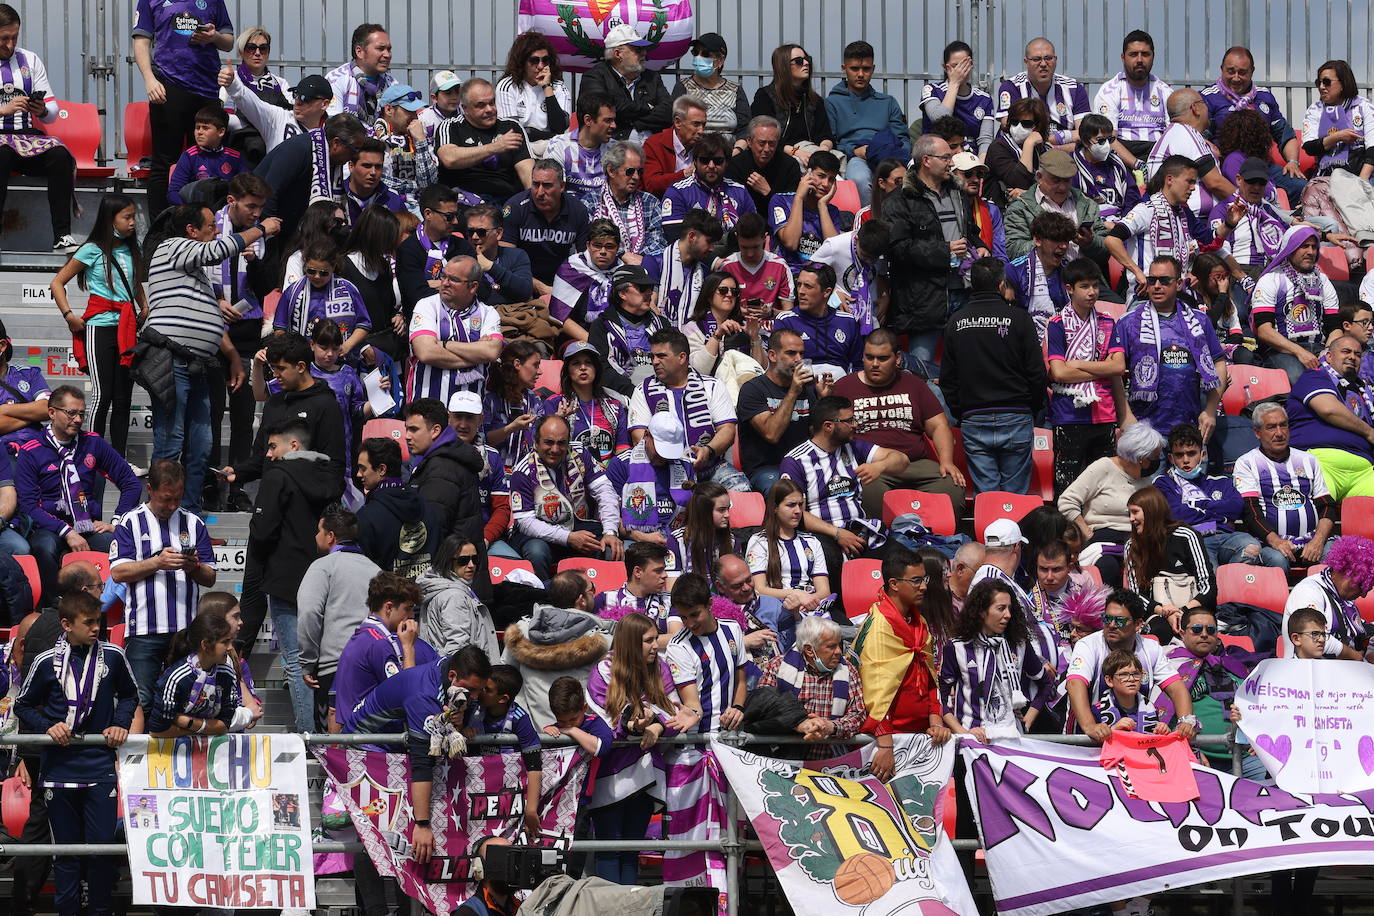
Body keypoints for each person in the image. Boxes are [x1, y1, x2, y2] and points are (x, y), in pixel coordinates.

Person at [140, 204, 279, 514]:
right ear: (191, 231)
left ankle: (187, 513)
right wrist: (262, 229)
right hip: (171, 359)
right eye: (210, 226)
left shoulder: (193, 270)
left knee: (201, 446)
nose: (216, 230)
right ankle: (158, 514)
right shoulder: (172, 247)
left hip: (199, 365)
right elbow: (221, 249)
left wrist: (230, 354)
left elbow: (205, 317)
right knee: (170, 443)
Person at [15, 591, 136, 916]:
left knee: (101, 853)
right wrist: (48, 726)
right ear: (66, 624)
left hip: (99, 769)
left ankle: (100, 911)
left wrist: (121, 724)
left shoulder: (112, 656)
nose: (97, 628)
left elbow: (130, 695)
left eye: (99, 621)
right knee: (65, 855)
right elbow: (22, 704)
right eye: (89, 623)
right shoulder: (44, 661)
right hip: (58, 769)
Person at [344, 647, 492, 867]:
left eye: (480, 690)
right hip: (364, 746)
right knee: (378, 829)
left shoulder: (455, 666)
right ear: (453, 676)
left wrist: (462, 721)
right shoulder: (424, 697)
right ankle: (376, 903)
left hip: (392, 742)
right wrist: (422, 824)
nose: (475, 697)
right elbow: (422, 762)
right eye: (471, 691)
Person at [246, 420, 343, 732]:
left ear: (294, 446)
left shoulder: (277, 476)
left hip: (287, 581)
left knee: (296, 661)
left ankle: (307, 735)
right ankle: (328, 733)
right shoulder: (329, 477)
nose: (269, 454)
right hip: (326, 580)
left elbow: (262, 532)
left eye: (273, 446)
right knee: (325, 662)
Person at [14, 385, 140, 599]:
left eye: (82, 414)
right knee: (44, 548)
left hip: (87, 525)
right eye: (71, 413)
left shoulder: (93, 443)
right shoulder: (32, 450)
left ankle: (106, 607)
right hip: (50, 526)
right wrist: (66, 531)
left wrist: (117, 521)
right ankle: (52, 608)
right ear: (52, 413)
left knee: (118, 545)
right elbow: (28, 504)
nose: (78, 420)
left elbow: (131, 482)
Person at [662, 572, 746, 891]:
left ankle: (731, 904)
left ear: (710, 606)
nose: (689, 623)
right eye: (683, 617)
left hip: (730, 754)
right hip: (694, 756)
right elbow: (692, 702)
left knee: (731, 841)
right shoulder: (678, 647)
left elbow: (741, 680)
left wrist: (738, 708)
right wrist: (692, 714)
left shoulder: (733, 631)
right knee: (692, 842)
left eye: (694, 615)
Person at [109, 460, 216, 707]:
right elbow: (118, 572)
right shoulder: (130, 522)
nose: (172, 505)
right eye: (166, 499)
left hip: (185, 630)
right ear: (150, 489)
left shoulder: (194, 523)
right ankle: (138, 747)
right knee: (140, 700)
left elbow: (210, 577)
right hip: (144, 630)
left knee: (186, 699)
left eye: (177, 498)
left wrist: (193, 567)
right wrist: (156, 563)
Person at [585, 611, 679, 886]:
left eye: (655, 639)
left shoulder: (659, 667)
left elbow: (675, 712)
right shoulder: (604, 668)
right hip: (611, 772)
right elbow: (606, 721)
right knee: (609, 849)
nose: (655, 645)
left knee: (631, 850)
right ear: (629, 643)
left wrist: (658, 726)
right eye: (649, 641)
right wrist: (637, 723)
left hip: (647, 772)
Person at [832, 328, 967, 517]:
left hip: (915, 463)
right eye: (869, 357)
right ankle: (882, 541)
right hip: (872, 466)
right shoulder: (844, 386)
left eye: (882, 358)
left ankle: (936, 542)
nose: (875, 364)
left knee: (951, 487)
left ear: (897, 358)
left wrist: (946, 462)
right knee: (870, 492)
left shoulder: (914, 384)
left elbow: (938, 426)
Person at [941, 257, 1047, 495]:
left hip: (974, 418)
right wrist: (1031, 407)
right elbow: (1037, 372)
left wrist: (962, 411)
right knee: (1015, 499)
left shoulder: (956, 322)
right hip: (1016, 415)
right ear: (1001, 284)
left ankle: (989, 533)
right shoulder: (1020, 319)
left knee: (987, 497)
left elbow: (947, 379)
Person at [49, 194, 143, 461]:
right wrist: (69, 316)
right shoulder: (91, 249)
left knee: (124, 397)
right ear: (109, 219)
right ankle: (91, 455)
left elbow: (133, 286)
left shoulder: (132, 249)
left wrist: (144, 307)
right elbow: (57, 283)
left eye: (134, 216)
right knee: (103, 394)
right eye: (127, 217)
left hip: (126, 329)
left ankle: (119, 459)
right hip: (99, 327)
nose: (133, 222)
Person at [884, 134, 981, 377]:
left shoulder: (958, 194)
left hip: (962, 291)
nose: (951, 162)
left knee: (967, 366)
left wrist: (979, 246)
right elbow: (898, 247)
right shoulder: (900, 199)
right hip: (924, 299)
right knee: (920, 370)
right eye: (946, 157)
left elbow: (970, 232)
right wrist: (945, 250)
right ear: (926, 160)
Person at [853, 547, 952, 782]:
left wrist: (935, 721)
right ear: (894, 584)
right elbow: (875, 693)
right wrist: (885, 746)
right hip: (888, 743)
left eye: (924, 579)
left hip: (923, 739)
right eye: (916, 581)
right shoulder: (878, 627)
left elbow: (930, 678)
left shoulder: (920, 623)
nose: (925, 587)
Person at [779, 395, 905, 572]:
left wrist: (880, 465)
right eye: (849, 421)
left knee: (906, 563)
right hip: (822, 536)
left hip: (859, 530)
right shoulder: (796, 461)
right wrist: (837, 533)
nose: (855, 425)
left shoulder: (853, 447)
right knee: (837, 567)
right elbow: (794, 512)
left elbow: (902, 460)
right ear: (828, 426)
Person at [131, 0, 234, 215]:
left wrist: (213, 37)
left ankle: (207, 229)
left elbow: (228, 42)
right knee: (163, 162)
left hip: (206, 89)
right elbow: (141, 42)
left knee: (208, 158)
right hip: (168, 87)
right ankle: (160, 234)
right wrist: (150, 79)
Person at [1114, 254, 1228, 441]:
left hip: (1190, 431)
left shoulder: (1199, 320)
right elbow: (1114, 372)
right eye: (1152, 280)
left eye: (1165, 280)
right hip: (1144, 430)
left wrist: (1210, 410)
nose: (1157, 286)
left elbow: (1219, 363)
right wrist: (1125, 416)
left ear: (1179, 284)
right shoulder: (1128, 322)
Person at [1064, 588, 1197, 741]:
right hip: (1086, 736)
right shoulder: (1087, 645)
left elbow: (1177, 688)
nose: (1112, 625)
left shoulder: (1151, 648)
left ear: (1138, 624)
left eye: (1120, 621)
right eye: (1107, 619)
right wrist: (1090, 726)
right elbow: (1075, 684)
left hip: (1132, 737)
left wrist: (1186, 720)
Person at [1107, 156, 1245, 301]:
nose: (1193, 188)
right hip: (1145, 298)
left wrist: (1229, 223)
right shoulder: (1146, 209)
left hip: (1176, 299)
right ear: (1169, 179)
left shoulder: (1183, 213)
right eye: (1189, 182)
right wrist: (1137, 272)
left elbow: (1208, 240)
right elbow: (1112, 240)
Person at [1044, 258, 1127, 495]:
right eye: (1084, 286)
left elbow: (1118, 367)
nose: (1092, 292)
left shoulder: (1109, 322)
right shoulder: (1057, 324)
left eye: (1095, 286)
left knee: (1104, 487)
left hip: (1104, 412)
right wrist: (1102, 366)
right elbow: (1059, 372)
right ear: (1069, 288)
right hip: (1068, 414)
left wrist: (1078, 365)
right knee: (1068, 485)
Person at [226, 332, 347, 491]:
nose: (276, 374)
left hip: (305, 507)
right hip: (271, 501)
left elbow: (333, 467)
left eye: (281, 368)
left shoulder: (326, 405)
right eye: (273, 368)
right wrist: (238, 471)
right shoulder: (274, 404)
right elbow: (261, 458)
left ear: (301, 367)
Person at [297, 504, 382, 728]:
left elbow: (309, 613)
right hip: (374, 668)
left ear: (331, 536)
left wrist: (307, 662)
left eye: (319, 531)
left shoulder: (322, 566)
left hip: (335, 668)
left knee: (332, 748)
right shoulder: (376, 570)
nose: (316, 536)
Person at [628, 327, 745, 490]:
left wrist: (708, 451)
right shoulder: (642, 390)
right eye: (652, 356)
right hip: (663, 468)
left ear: (682, 357)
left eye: (661, 356)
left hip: (709, 467)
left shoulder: (712, 385)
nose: (654, 361)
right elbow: (638, 437)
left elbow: (727, 430)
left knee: (740, 489)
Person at [0, 4, 76, 251]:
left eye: (14, 37)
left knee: (60, 155)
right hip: (1, 143)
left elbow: (52, 113)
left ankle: (62, 236)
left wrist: (41, 110)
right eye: (4, 38)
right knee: (1, 155)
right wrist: (3, 110)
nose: (9, 45)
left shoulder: (30, 59)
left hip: (25, 138)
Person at [509, 414, 621, 580]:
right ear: (536, 441)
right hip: (538, 535)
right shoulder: (522, 472)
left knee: (610, 547)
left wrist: (610, 531)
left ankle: (603, 598)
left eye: (561, 443)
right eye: (548, 442)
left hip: (576, 525)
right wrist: (567, 538)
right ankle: (543, 598)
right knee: (537, 551)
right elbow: (526, 523)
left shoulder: (581, 454)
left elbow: (605, 490)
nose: (555, 449)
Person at [940, 578, 1054, 739]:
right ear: (981, 611)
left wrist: (1027, 721)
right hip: (971, 743)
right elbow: (940, 699)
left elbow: (1046, 683)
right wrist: (963, 733)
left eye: (1009, 608)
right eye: (1000, 608)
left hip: (1012, 739)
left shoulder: (1019, 645)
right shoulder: (957, 647)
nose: (1007, 615)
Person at [1059, 422, 1166, 584]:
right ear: (1141, 459)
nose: (1158, 462)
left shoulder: (1147, 480)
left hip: (1137, 540)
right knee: (1108, 567)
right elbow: (1067, 501)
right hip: (1103, 539)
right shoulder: (1103, 467)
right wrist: (1087, 532)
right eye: (1155, 457)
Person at [1234, 403, 1335, 573]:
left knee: (1334, 554)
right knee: (1277, 560)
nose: (1279, 433)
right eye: (1271, 427)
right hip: (1271, 544)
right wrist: (1277, 542)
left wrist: (1317, 541)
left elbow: (1327, 505)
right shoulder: (1247, 463)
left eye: (1283, 425)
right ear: (1257, 433)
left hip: (1311, 540)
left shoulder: (1308, 460)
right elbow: (1250, 511)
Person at [1156, 423, 1270, 568]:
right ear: (1171, 458)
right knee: (1210, 570)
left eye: (1191, 453)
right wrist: (1220, 517)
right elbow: (1176, 514)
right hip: (1192, 539)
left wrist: (1194, 505)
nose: (1185, 460)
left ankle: (1226, 580)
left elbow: (1236, 507)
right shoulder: (1163, 483)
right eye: (1179, 455)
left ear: (1202, 455)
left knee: (1252, 547)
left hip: (1226, 537)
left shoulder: (1221, 482)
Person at [333, 570, 433, 727]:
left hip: (358, 732)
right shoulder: (378, 643)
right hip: (369, 740)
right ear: (389, 608)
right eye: (407, 608)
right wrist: (408, 647)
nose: (411, 616)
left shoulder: (365, 636)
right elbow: (406, 694)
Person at [756, 615, 867, 754]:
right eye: (831, 646)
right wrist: (798, 723)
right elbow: (763, 708)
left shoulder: (848, 670)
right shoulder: (778, 667)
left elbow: (858, 715)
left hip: (831, 759)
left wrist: (832, 726)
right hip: (785, 759)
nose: (839, 651)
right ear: (809, 650)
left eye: (839, 644)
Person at [1201, 46, 1306, 193]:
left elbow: (1284, 134)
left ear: (1252, 71)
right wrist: (1214, 151)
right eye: (1230, 71)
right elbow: (1196, 137)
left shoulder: (1264, 96)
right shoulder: (1208, 97)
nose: (1236, 78)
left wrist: (1292, 162)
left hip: (1262, 166)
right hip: (1224, 166)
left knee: (1301, 188)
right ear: (1221, 69)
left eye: (1242, 72)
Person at [735, 328, 826, 493]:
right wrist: (793, 391)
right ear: (772, 355)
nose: (799, 360)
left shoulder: (808, 389)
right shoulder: (753, 389)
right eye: (791, 353)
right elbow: (771, 434)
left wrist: (824, 400)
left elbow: (819, 436)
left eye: (801, 354)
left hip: (805, 462)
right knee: (786, 492)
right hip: (768, 469)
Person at [1122, 485, 1216, 643]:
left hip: (1192, 608)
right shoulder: (1132, 546)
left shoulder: (1186, 535)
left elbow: (1208, 585)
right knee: (1160, 631)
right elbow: (1136, 593)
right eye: (1129, 513)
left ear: (1152, 511)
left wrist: (1182, 611)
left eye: (1135, 512)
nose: (1131, 519)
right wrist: (1165, 611)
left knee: (1195, 631)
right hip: (1156, 611)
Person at [1286, 333, 1374, 500]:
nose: (1352, 357)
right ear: (1329, 356)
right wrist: (1369, 432)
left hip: (1364, 470)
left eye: (1357, 354)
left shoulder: (1364, 392)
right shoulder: (1315, 376)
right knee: (1321, 514)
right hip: (1321, 462)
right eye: (1346, 351)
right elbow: (1329, 409)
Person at [405, 255, 503, 404]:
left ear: (473, 286)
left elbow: (490, 352)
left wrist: (443, 344)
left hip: (469, 413)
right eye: (443, 276)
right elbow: (426, 353)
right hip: (427, 408)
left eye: (454, 280)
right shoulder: (426, 306)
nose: (444, 283)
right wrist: (476, 355)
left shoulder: (488, 313)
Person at [254, 112, 369, 239]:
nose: (354, 157)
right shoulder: (298, 149)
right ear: (336, 143)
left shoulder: (331, 162)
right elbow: (268, 193)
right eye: (354, 150)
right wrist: (270, 237)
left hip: (292, 234)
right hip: (266, 233)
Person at [825, 40, 910, 207]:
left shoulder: (888, 102)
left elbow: (904, 139)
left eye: (866, 69)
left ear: (873, 69)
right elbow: (830, 142)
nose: (861, 74)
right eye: (855, 68)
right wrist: (854, 151)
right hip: (855, 158)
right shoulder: (832, 103)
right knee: (860, 179)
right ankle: (870, 225)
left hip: (889, 157)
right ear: (844, 68)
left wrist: (894, 154)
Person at [403, 397, 488, 562]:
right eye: (406, 429)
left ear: (435, 431)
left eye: (413, 429)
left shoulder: (442, 468)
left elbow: (431, 530)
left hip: (448, 573)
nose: (407, 436)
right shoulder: (439, 459)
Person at [465, 664, 545, 838]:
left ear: (502, 699)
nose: (480, 691)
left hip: (505, 796)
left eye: (487, 689)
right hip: (475, 790)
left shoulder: (520, 718)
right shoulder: (471, 709)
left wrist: (531, 809)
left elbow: (534, 765)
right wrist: (461, 731)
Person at [1252, 226, 1340, 383]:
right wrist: (1300, 352)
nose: (1311, 252)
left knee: (1341, 379)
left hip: (1320, 349)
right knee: (1301, 379)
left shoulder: (1323, 281)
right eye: (1304, 246)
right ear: (1290, 248)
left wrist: (1328, 351)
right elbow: (1264, 331)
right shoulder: (1271, 279)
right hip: (1281, 350)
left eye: (1314, 247)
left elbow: (1335, 328)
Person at [608, 413, 696, 568]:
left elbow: (696, 510)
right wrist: (641, 536)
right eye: (660, 449)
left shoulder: (685, 466)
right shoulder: (621, 465)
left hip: (678, 536)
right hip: (636, 539)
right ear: (646, 436)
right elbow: (609, 515)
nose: (664, 457)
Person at [354, 435, 443, 579]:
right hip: (426, 595)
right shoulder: (428, 508)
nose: (358, 474)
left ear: (382, 469)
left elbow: (362, 573)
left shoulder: (366, 516)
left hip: (388, 597)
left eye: (363, 468)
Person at [435, 77, 533, 202]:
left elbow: (527, 172)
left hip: (505, 199)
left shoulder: (511, 127)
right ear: (465, 108)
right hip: (463, 200)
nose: (489, 109)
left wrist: (531, 202)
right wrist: (495, 147)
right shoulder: (451, 126)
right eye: (480, 105)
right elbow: (449, 158)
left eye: (492, 102)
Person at [503, 158, 592, 295]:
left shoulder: (578, 211)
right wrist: (541, 288)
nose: (539, 193)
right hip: (521, 281)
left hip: (562, 282)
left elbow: (584, 261)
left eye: (547, 185)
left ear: (562, 186)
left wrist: (564, 289)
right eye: (535, 184)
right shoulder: (515, 207)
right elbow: (505, 260)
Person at [1144, 89, 1236, 218]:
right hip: (1192, 221)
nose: (1208, 110)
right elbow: (1215, 183)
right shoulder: (1187, 133)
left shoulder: (1175, 133)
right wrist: (1248, 205)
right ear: (1195, 108)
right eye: (1205, 104)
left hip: (1173, 218)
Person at [273, 241, 373, 358]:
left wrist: (347, 345)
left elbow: (363, 324)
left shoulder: (348, 289)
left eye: (324, 273)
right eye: (311, 271)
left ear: (333, 267)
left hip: (340, 361)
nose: (317, 277)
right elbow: (280, 328)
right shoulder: (292, 292)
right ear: (305, 265)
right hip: (303, 362)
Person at [1003, 149, 1106, 263]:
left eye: (1066, 181)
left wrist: (1090, 242)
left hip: (1086, 277)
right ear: (1039, 177)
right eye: (1056, 181)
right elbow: (1014, 251)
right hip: (1042, 278)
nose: (1062, 187)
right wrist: (1049, 242)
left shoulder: (1087, 204)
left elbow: (1107, 247)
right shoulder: (1020, 208)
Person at [1283, 535, 1374, 661]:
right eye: (1361, 586)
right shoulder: (1309, 591)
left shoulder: (1342, 598)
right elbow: (1312, 636)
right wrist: (1356, 657)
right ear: (1348, 573)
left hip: (1341, 673)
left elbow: (1354, 626)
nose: (1363, 594)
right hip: (1308, 674)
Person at [1091, 30, 1174, 166]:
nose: (1140, 60)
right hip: (1122, 155)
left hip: (1158, 155)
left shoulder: (1165, 91)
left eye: (1145, 54)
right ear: (1123, 57)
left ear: (1153, 56)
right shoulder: (1109, 90)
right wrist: (1137, 165)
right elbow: (1108, 139)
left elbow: (1174, 134)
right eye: (1133, 54)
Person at [746, 478, 831, 610]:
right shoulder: (759, 541)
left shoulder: (812, 542)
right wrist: (796, 595)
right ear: (774, 508)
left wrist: (808, 600)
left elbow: (824, 591)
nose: (798, 511)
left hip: (810, 607)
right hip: (777, 610)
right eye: (791, 505)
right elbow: (759, 589)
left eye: (800, 504)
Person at [578, 23, 670, 143]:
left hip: (651, 150)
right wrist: (649, 107)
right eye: (637, 50)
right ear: (618, 54)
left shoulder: (652, 77)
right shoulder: (595, 77)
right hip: (612, 150)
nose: (644, 53)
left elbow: (668, 113)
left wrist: (632, 121)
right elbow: (604, 111)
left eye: (643, 49)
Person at [543, 341, 629, 469]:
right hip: (570, 474)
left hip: (609, 476)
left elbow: (623, 449)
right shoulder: (554, 404)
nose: (583, 367)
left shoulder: (615, 405)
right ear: (567, 370)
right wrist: (558, 419)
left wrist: (611, 471)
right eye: (576, 363)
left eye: (588, 362)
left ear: (596, 368)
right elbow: (546, 448)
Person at [589, 263, 669, 396]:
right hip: (621, 396)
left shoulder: (662, 324)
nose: (650, 292)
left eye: (650, 287)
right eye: (642, 288)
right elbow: (601, 368)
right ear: (622, 293)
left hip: (662, 391)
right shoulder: (601, 326)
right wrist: (634, 393)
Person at [396, 184, 477, 315]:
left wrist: (437, 284)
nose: (456, 221)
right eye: (449, 216)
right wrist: (460, 286)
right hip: (423, 324)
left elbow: (481, 289)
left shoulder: (463, 247)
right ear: (428, 214)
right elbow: (417, 296)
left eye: (457, 215)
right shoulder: (408, 249)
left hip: (463, 321)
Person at [772, 263, 864, 377]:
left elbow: (858, 365)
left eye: (808, 286)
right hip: (801, 388)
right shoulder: (786, 321)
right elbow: (779, 367)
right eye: (799, 284)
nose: (800, 291)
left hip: (841, 388)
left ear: (826, 292)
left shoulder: (847, 321)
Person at [751, 44, 835, 168]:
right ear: (783, 66)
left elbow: (826, 135)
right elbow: (763, 136)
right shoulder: (765, 96)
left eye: (808, 59)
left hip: (813, 154)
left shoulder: (815, 100)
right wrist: (797, 152)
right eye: (799, 61)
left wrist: (823, 150)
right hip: (779, 154)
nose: (806, 63)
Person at [995, 38, 1090, 146]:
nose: (1043, 64)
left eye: (1048, 58)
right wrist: (1058, 139)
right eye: (1036, 59)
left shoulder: (1074, 88)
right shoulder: (1012, 87)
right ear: (1026, 62)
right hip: (1020, 152)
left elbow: (1085, 134)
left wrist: (1050, 142)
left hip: (1063, 154)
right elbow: (1010, 127)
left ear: (1056, 60)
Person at [663, 132, 756, 240]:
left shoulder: (740, 191)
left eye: (718, 161)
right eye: (705, 160)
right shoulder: (677, 192)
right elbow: (675, 237)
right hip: (692, 255)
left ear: (727, 162)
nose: (711, 166)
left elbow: (752, 231)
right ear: (695, 161)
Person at [1208, 156, 1293, 272]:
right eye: (1251, 181)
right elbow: (1217, 249)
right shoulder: (1223, 209)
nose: (1257, 187)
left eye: (1262, 182)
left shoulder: (1268, 210)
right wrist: (1242, 278)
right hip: (1240, 269)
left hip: (1274, 270)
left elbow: (1290, 235)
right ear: (1238, 179)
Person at [219, 64, 330, 153]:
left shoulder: (332, 132)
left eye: (306, 98)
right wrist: (232, 84)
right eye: (296, 95)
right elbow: (250, 101)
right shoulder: (278, 118)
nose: (298, 102)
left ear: (324, 104)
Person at [642, 207, 721, 330]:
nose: (712, 249)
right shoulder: (654, 261)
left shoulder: (704, 273)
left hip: (692, 339)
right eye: (709, 242)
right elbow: (650, 303)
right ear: (692, 236)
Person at [809, 219, 892, 335]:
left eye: (874, 258)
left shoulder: (880, 252)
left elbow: (882, 274)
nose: (868, 261)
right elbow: (809, 273)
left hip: (870, 317)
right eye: (864, 255)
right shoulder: (834, 246)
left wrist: (885, 296)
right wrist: (833, 293)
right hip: (838, 315)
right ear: (857, 239)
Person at [767, 149, 844, 274]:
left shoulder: (832, 211)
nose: (825, 184)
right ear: (808, 174)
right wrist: (799, 198)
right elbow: (791, 243)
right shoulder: (780, 200)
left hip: (818, 279)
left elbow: (834, 252)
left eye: (831, 179)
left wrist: (822, 206)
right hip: (786, 274)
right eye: (821, 176)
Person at [1004, 211, 1075, 340]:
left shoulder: (1070, 270)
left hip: (1064, 341)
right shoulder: (1013, 271)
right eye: (1056, 239)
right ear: (1037, 240)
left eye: (1066, 240)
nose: (1064, 246)